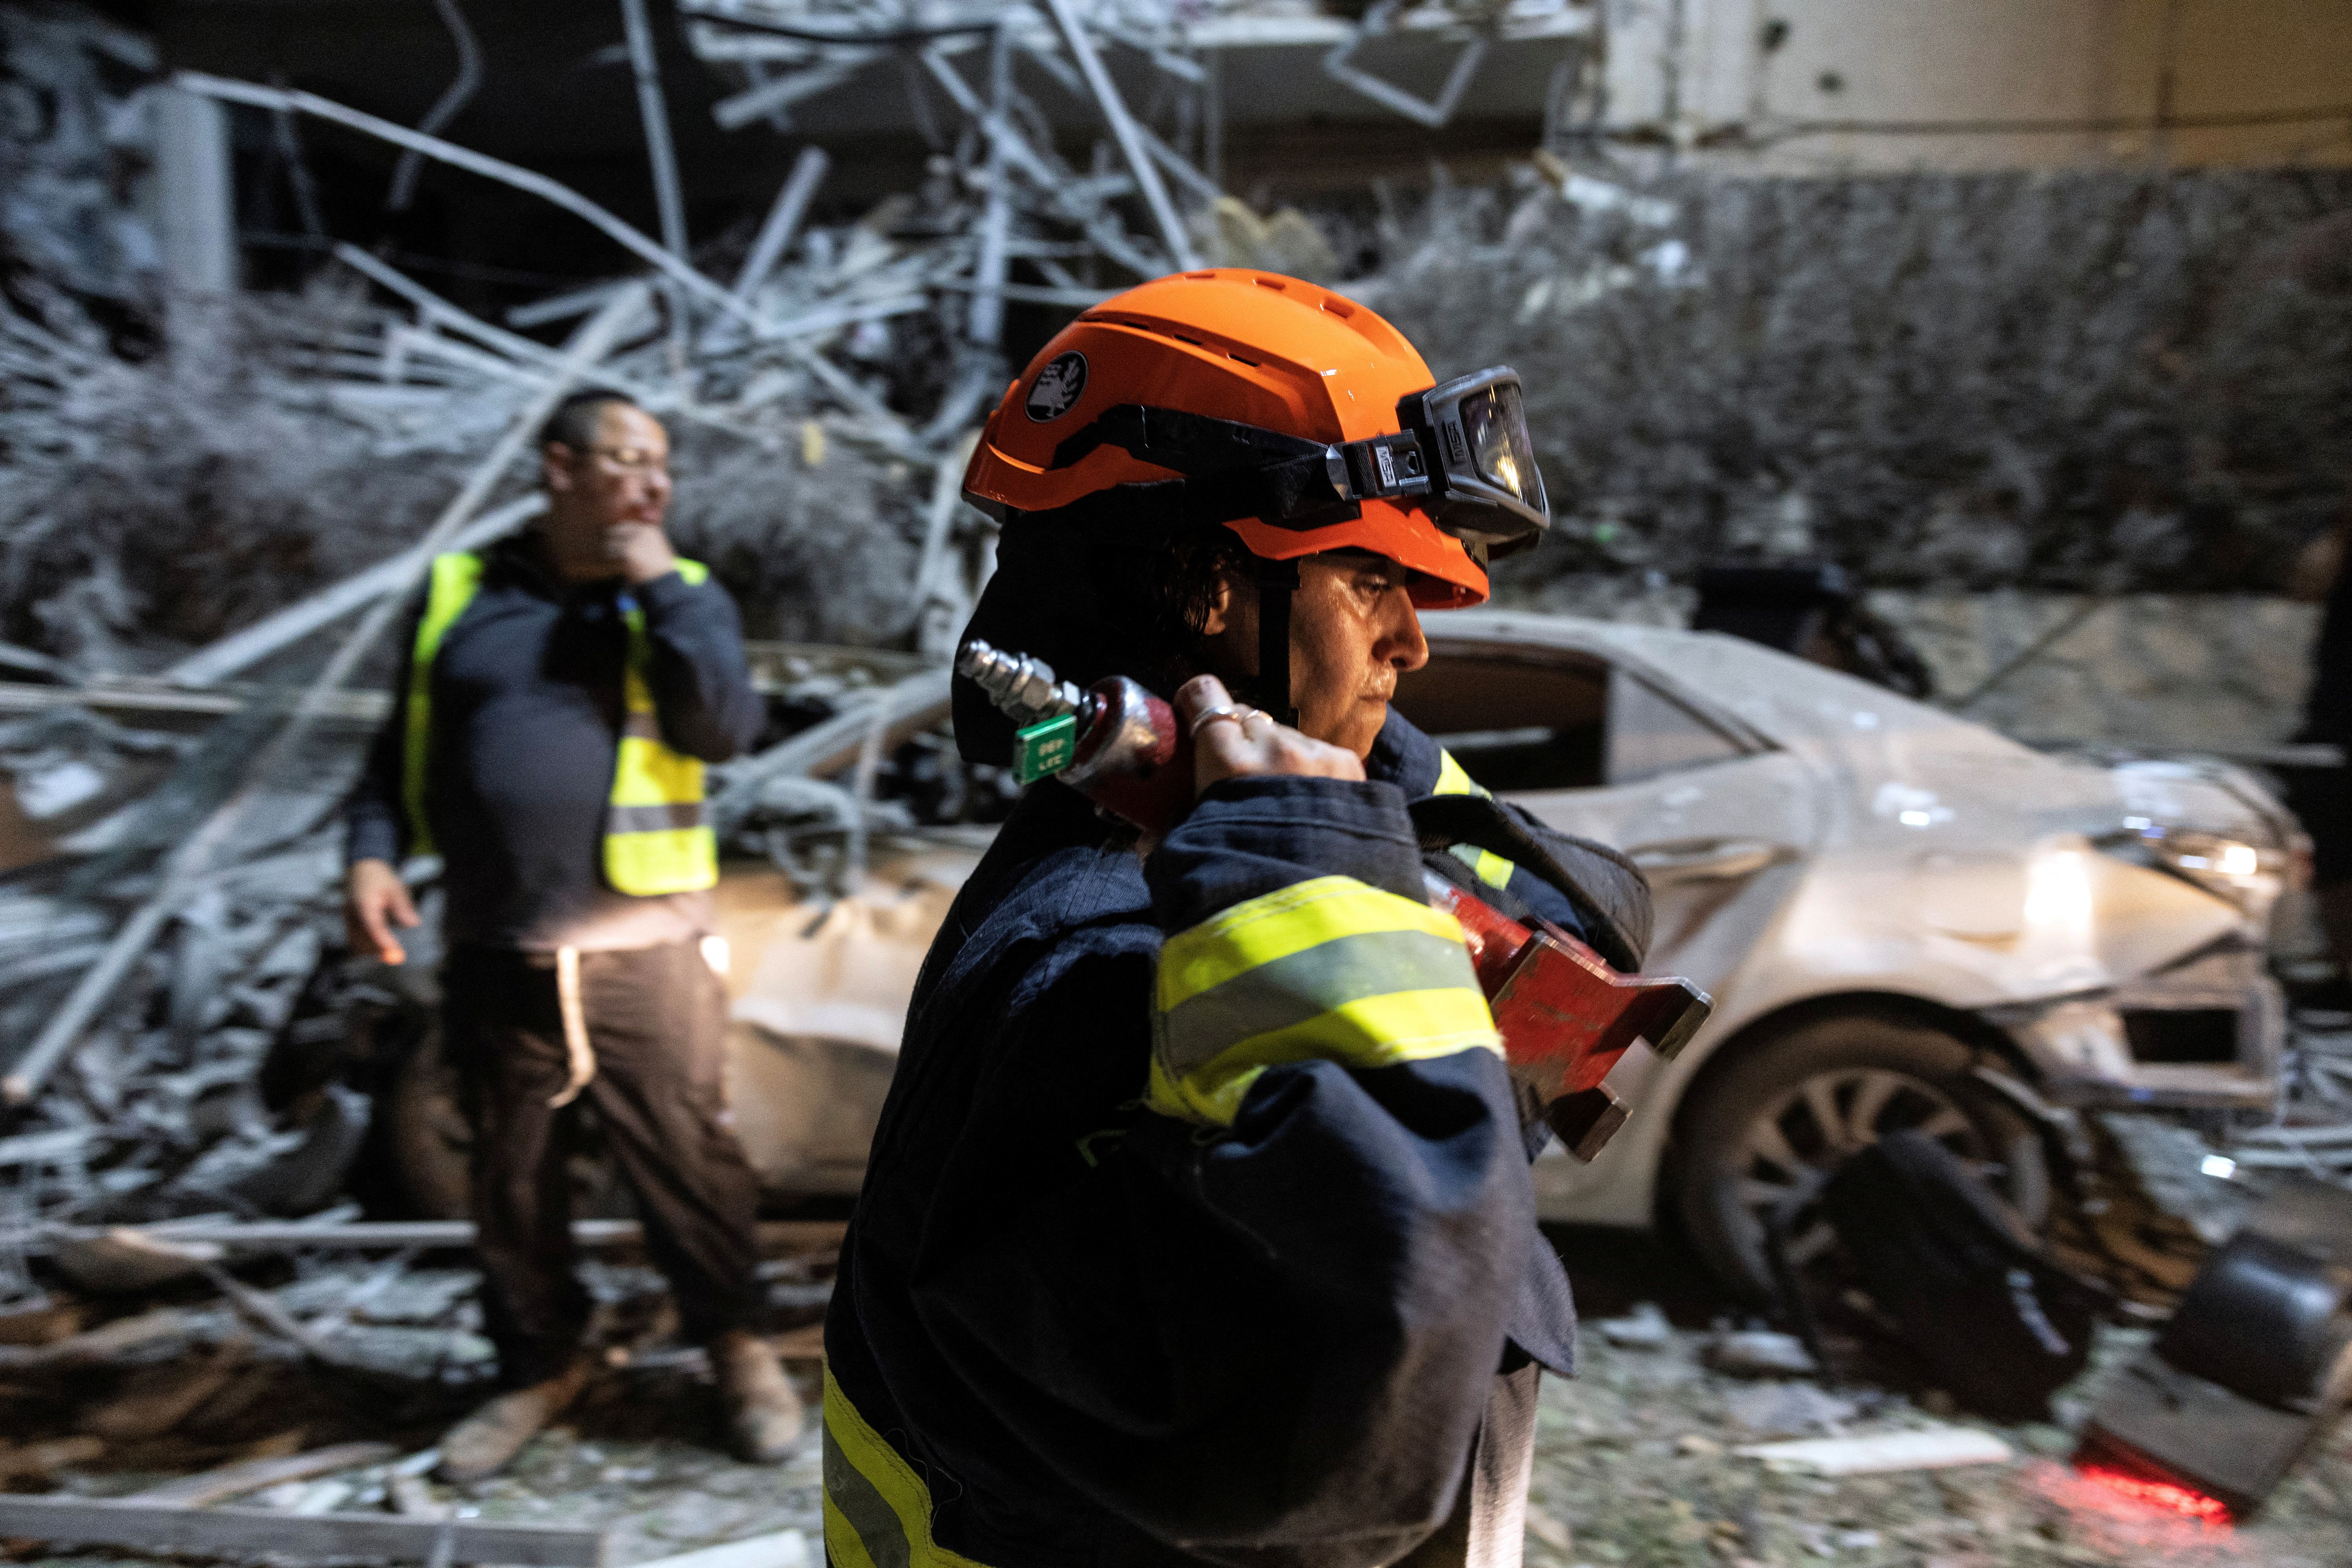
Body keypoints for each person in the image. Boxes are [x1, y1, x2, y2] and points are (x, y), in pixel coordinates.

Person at [822, 272, 1653, 1567]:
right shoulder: (1103, 965)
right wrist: (1308, 860)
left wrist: (1316, 822)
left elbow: (1582, 923)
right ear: (1214, 587)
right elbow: (1344, 1454)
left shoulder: (1247, 855)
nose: (1412, 645)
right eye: (1374, 579)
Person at [343, 388, 800, 1481]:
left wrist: (656, 585)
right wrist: (367, 852)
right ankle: (540, 1364)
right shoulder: (462, 592)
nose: (653, 483)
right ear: (560, 468)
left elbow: (725, 729)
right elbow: (400, 749)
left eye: (663, 466)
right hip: (500, 946)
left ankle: (737, 1349)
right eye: (628, 459)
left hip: (647, 949)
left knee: (690, 1164)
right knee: (510, 1179)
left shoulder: (681, 597)